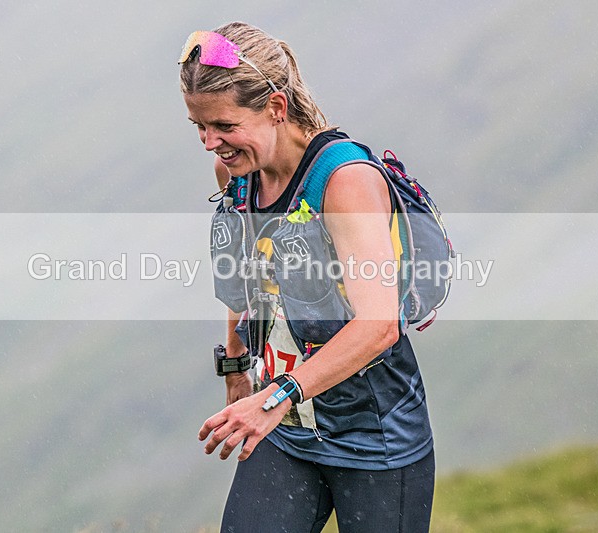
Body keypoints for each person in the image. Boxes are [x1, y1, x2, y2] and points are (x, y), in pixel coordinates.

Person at [179, 22, 435, 532]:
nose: (210, 143)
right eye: (199, 126)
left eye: (224, 125)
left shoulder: (345, 181)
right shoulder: (237, 173)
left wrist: (274, 397)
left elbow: (379, 325)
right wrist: (237, 369)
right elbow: (245, 280)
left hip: (376, 442)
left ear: (276, 107)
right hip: (287, 432)